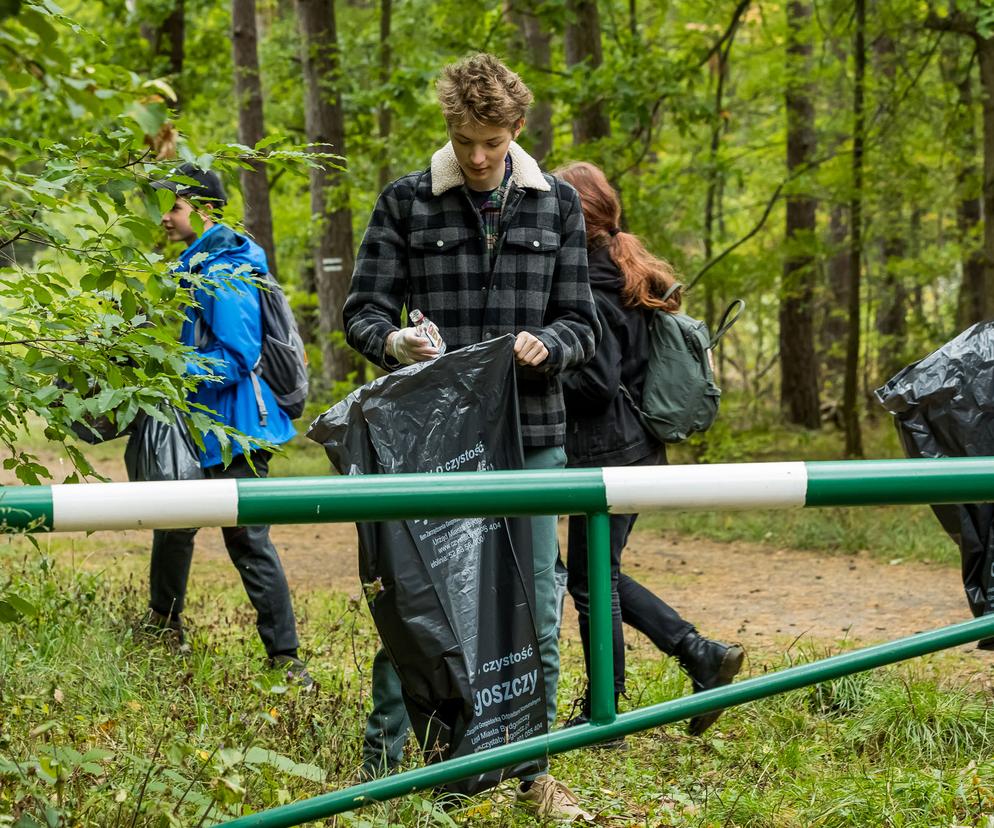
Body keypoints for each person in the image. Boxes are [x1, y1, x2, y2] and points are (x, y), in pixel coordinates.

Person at [343, 54, 599, 820]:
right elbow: (360, 312)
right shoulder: (406, 203)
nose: (478, 157)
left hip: (533, 436)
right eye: (463, 139)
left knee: (537, 611)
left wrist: (548, 346)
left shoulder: (557, 207)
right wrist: (395, 345)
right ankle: (388, 776)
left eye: (491, 140)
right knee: (418, 608)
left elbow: (583, 324)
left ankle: (534, 775)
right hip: (434, 443)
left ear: (517, 130)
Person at [555, 161, 743, 740]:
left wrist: (534, 372)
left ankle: (613, 704)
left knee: (589, 579)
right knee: (592, 575)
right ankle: (694, 656)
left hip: (608, 451)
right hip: (635, 447)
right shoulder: (622, 265)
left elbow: (597, 381)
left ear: (575, 216)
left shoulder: (589, 280)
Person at [143, 163, 312, 689]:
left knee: (248, 540)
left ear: (207, 210)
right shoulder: (201, 264)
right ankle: (162, 627)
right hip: (208, 425)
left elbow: (237, 357)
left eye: (175, 206)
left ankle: (287, 660)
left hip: (239, 428)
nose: (165, 216)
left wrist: (169, 367)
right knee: (175, 524)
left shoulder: (225, 270)